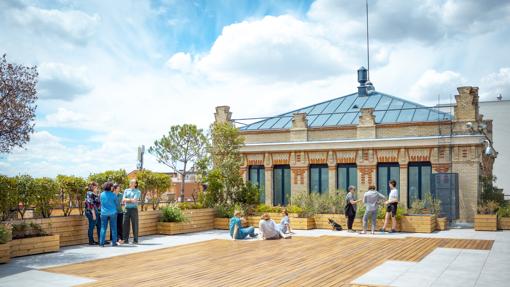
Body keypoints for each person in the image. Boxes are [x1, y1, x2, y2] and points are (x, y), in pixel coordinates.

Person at [99, 182, 118, 247]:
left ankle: (101, 244)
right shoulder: (114, 195)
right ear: (110, 187)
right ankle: (114, 243)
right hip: (113, 213)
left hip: (103, 213)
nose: (113, 187)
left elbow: (100, 203)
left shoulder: (101, 194)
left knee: (103, 228)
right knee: (113, 228)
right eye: (112, 186)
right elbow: (117, 204)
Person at [122, 179, 141, 244]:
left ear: (135, 184)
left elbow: (135, 200)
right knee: (125, 225)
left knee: (135, 225)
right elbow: (123, 199)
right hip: (126, 209)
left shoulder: (138, 191)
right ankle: (125, 240)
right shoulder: (126, 190)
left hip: (134, 209)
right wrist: (131, 200)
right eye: (131, 182)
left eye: (133, 182)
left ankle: (135, 240)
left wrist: (127, 199)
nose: (131, 183)